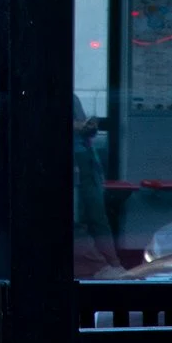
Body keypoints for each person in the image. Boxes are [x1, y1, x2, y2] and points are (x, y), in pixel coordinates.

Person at [74, 93, 123, 276]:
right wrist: (78, 126)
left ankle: (113, 263)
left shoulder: (73, 98)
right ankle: (99, 266)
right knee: (78, 218)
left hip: (86, 158)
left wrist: (88, 126)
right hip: (75, 160)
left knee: (97, 215)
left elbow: (84, 129)